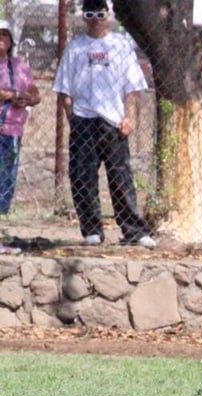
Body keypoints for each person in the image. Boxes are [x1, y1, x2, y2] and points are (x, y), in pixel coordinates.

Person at [53, 0, 156, 248]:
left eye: (100, 12)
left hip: (113, 120)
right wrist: (74, 120)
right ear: (84, 17)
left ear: (108, 14)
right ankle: (92, 230)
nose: (96, 18)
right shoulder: (75, 48)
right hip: (84, 119)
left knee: (120, 175)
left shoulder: (121, 46)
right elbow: (64, 90)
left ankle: (134, 231)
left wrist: (129, 117)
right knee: (82, 176)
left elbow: (133, 87)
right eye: (90, 13)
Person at [0, 19, 41, 239]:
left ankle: (2, 214)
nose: (1, 39)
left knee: (7, 174)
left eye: (4, 35)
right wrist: (10, 95)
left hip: (12, 129)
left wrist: (25, 98)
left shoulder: (20, 67)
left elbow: (35, 95)